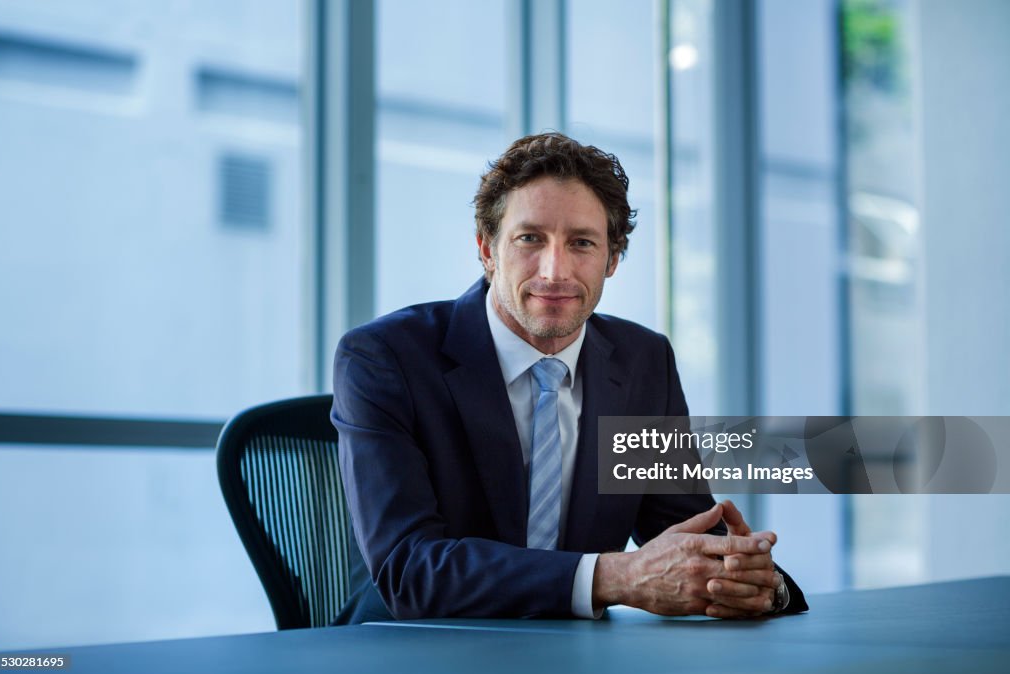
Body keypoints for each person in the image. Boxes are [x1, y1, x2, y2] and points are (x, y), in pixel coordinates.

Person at [330, 132, 808, 623]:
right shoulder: (384, 359)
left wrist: (750, 581)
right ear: (487, 249)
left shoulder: (642, 361)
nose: (554, 271)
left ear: (613, 259)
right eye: (530, 238)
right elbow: (409, 570)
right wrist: (613, 578)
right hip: (410, 652)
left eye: (581, 243)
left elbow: (682, 531)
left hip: (580, 659)